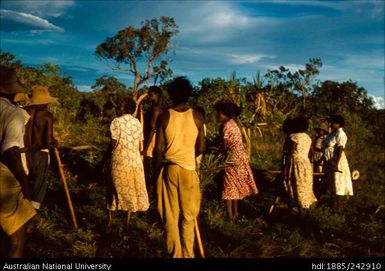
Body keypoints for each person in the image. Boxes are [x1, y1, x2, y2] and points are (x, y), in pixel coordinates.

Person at [153, 76, 205, 258]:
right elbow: (201, 148)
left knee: (170, 217)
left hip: (170, 169)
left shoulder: (165, 116)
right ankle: (188, 255)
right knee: (189, 218)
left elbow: (158, 149)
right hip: (189, 170)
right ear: (189, 94)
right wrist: (188, 158)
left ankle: (175, 255)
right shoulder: (197, 117)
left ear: (171, 94)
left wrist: (154, 175)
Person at [0, 66, 36, 258]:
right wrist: (25, 182)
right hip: (5, 180)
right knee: (16, 241)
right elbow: (9, 150)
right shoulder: (13, 113)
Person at [106, 97, 149, 228]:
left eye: (119, 106)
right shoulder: (137, 122)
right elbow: (139, 142)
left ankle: (109, 221)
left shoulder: (116, 122)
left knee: (112, 188)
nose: (116, 108)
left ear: (125, 109)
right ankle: (127, 222)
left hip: (120, 160)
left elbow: (113, 144)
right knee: (130, 188)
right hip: (135, 161)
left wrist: (106, 157)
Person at [214, 102, 258, 221]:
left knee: (228, 187)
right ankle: (235, 214)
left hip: (231, 159)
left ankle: (230, 216)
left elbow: (224, 146)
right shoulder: (234, 124)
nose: (217, 115)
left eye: (219, 113)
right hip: (239, 157)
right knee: (233, 187)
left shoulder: (226, 126)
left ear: (224, 114)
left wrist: (216, 158)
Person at [23, 86, 58, 210]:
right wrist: (54, 143)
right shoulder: (47, 116)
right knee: (40, 180)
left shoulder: (22, 112)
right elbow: (48, 141)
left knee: (23, 178)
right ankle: (34, 208)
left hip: (22, 152)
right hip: (40, 153)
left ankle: (23, 204)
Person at [283, 116, 317, 213]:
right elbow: (312, 153)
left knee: (295, 184)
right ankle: (305, 206)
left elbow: (291, 151)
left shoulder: (294, 137)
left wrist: (286, 167)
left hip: (295, 163)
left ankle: (297, 208)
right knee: (304, 184)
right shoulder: (308, 137)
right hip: (306, 163)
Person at [323, 115, 353, 213]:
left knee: (339, 185)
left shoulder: (341, 134)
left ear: (338, 124)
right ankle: (333, 208)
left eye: (332, 122)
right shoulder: (332, 133)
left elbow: (340, 148)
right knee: (332, 185)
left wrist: (336, 163)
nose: (330, 124)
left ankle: (339, 210)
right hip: (329, 160)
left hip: (337, 160)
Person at [143, 86, 163, 194]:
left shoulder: (156, 109)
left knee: (150, 166)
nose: (149, 97)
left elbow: (152, 128)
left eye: (151, 94)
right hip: (153, 139)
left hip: (152, 139)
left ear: (157, 95)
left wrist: (146, 146)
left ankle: (150, 192)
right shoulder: (154, 107)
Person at [312, 122, 329, 200]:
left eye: (320, 130)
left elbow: (325, 148)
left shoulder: (325, 138)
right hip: (314, 157)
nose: (319, 132)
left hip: (321, 157)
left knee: (319, 174)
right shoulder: (316, 138)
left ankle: (319, 193)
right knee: (314, 174)